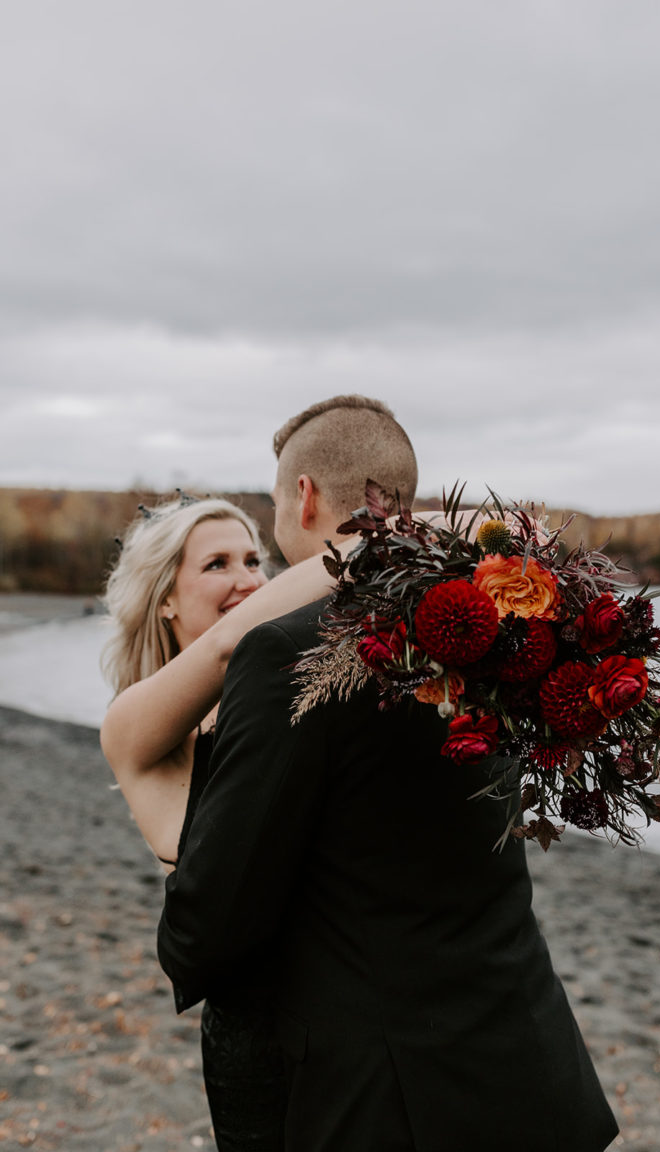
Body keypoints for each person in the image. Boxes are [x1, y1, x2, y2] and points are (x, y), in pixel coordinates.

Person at [158, 396, 620, 1152]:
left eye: (276, 503)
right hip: (533, 1074)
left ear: (302, 497)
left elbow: (206, 932)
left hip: (395, 1110)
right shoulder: (497, 623)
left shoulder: (286, 654)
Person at [101, 493, 354, 1150]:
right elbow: (219, 649)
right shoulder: (134, 731)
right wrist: (386, 542)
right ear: (165, 600)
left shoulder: (285, 704)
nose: (248, 578)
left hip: (343, 1028)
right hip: (254, 1041)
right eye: (217, 564)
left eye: (253, 559)